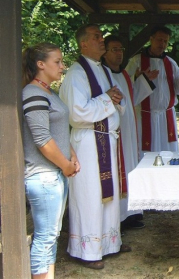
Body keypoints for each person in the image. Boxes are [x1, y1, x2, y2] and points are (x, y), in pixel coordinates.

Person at [59, 24, 131, 270]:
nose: (102, 40)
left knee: (106, 196)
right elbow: (76, 113)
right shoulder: (76, 74)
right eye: (96, 37)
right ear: (83, 44)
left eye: (102, 36)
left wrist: (114, 99)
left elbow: (114, 97)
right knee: (90, 195)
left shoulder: (102, 70)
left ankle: (109, 243)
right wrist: (107, 98)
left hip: (106, 139)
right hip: (89, 142)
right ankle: (87, 250)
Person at [21, 43, 81, 279]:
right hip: (44, 176)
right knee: (44, 238)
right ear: (40, 64)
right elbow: (42, 139)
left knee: (51, 236)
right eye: (57, 61)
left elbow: (57, 132)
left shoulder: (48, 92)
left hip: (55, 175)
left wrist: (72, 155)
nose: (62, 66)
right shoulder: (32, 93)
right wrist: (66, 165)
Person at [101, 35, 156, 230]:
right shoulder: (102, 74)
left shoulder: (124, 74)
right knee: (120, 169)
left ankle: (132, 212)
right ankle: (120, 215)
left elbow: (132, 97)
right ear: (104, 52)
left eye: (121, 49)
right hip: (115, 131)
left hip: (129, 129)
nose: (119, 53)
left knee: (131, 165)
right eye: (114, 49)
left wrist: (144, 80)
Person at [125, 25, 179, 153]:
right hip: (145, 116)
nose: (162, 44)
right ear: (151, 39)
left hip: (166, 117)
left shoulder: (170, 63)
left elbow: (178, 89)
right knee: (145, 152)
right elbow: (125, 83)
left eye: (165, 41)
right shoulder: (136, 61)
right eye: (159, 40)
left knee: (167, 153)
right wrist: (137, 77)